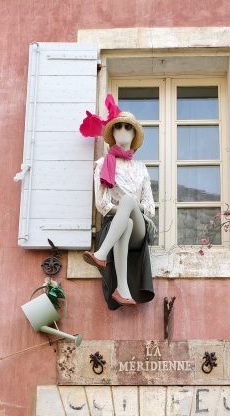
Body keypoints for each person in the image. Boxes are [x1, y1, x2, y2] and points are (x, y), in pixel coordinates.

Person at [80, 101, 156, 309]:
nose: (123, 130)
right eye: (119, 126)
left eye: (128, 126)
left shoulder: (141, 168)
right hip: (114, 226)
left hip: (141, 230)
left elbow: (149, 207)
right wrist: (124, 212)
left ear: (134, 135)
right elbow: (102, 204)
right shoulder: (104, 164)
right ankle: (122, 289)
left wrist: (130, 207)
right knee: (126, 224)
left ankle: (101, 254)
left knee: (128, 203)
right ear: (112, 132)